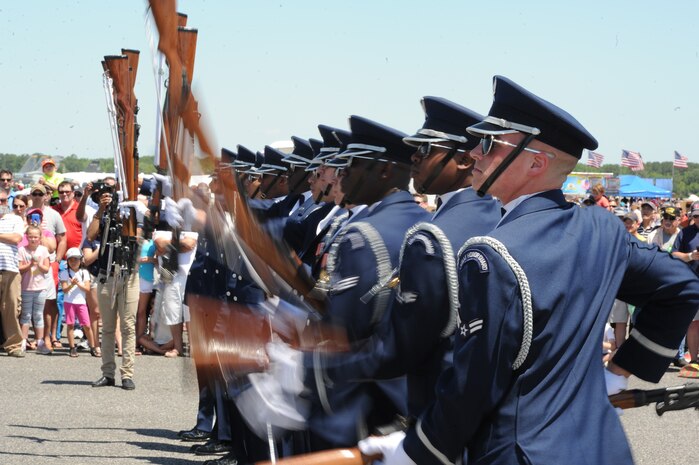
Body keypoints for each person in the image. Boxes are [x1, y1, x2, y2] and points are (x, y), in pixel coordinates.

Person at [359, 75, 699, 465]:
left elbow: (473, 387)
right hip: (602, 449)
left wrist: (417, 450)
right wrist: (621, 371)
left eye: (489, 144)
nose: (475, 154)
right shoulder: (602, 229)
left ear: (536, 162)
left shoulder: (490, 254)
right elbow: (681, 288)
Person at [87, 184, 139, 390]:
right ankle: (107, 373)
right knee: (107, 327)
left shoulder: (132, 212)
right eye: (103, 195)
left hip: (129, 275)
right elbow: (90, 236)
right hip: (107, 275)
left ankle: (127, 374)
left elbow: (141, 234)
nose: (107, 197)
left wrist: (132, 211)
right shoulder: (101, 215)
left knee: (128, 326)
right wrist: (101, 211)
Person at [672, 201, 699, 372]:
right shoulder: (685, 232)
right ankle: (694, 360)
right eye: (696, 215)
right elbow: (674, 254)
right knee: (693, 324)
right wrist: (691, 255)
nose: (698, 218)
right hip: (692, 282)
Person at [0, 190, 27, 357]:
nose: (0, 203)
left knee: (11, 308)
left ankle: (14, 345)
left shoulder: (15, 219)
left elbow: (17, 238)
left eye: (3, 200)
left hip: (10, 268)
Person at [18, 224, 51, 354]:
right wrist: (30, 264)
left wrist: (38, 264)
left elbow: (47, 269)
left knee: (38, 315)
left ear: (40, 238)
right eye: (30, 237)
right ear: (26, 237)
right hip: (26, 287)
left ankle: (40, 341)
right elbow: (20, 268)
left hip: (40, 288)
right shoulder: (22, 250)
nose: (33, 239)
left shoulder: (43, 250)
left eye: (35, 237)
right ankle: (23, 341)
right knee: (25, 314)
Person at [58, 247, 97, 357]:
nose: (74, 262)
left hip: (81, 302)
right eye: (71, 260)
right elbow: (65, 289)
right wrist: (72, 284)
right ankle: (72, 348)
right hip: (69, 302)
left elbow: (87, 289)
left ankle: (92, 347)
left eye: (76, 259)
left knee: (87, 325)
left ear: (81, 260)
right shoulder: (65, 273)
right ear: (68, 261)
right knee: (70, 325)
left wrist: (78, 284)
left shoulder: (84, 272)